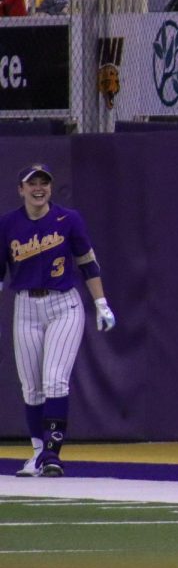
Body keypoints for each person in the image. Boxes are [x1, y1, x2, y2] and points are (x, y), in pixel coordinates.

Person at [0, 164, 116, 477]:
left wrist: (101, 302)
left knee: (54, 379)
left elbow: (87, 262)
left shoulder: (68, 219)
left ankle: (52, 454)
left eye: (44, 183)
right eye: (32, 183)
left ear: (50, 188)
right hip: (25, 305)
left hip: (63, 303)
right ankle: (38, 453)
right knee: (31, 387)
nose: (39, 188)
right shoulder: (8, 224)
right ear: (21, 189)